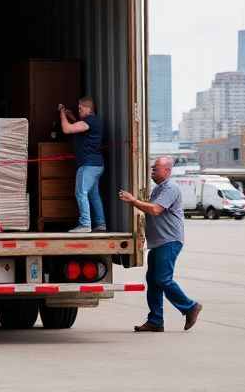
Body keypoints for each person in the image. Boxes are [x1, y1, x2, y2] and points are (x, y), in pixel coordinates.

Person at [118, 157, 203, 332]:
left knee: (162, 279)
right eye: (152, 169)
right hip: (158, 242)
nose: (152, 172)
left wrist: (133, 200)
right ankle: (156, 321)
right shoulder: (158, 189)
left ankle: (190, 307)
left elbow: (155, 210)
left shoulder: (170, 188)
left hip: (169, 241)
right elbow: (149, 211)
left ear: (167, 171)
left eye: (155, 169)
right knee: (153, 281)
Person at [58, 97, 106, 232]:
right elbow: (80, 125)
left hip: (88, 165)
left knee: (80, 192)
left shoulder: (90, 121)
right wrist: (71, 116)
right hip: (96, 165)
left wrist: (62, 113)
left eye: (80, 108)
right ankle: (101, 223)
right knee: (93, 194)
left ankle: (85, 224)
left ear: (88, 108)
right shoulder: (93, 122)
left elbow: (67, 129)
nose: (78, 110)